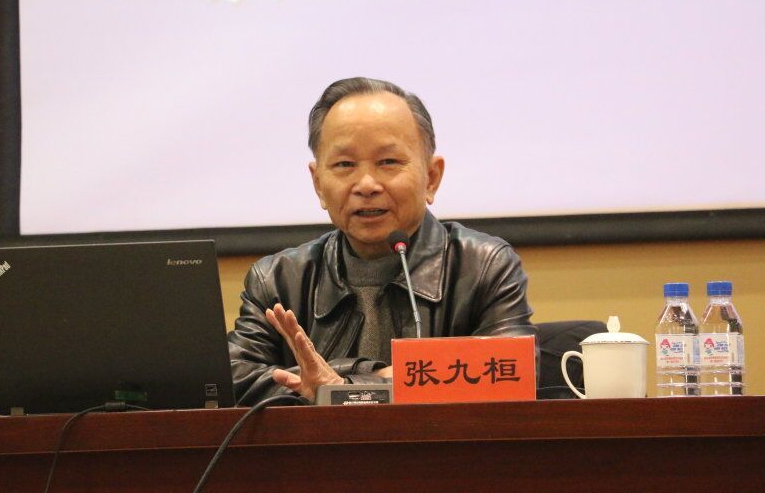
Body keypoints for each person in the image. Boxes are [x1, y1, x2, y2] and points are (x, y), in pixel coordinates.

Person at [227, 77, 537, 404]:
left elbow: (513, 374)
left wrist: (339, 387)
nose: (366, 184)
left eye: (388, 162)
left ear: (431, 178)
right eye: (345, 164)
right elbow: (232, 378)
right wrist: (365, 378)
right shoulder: (279, 279)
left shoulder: (482, 266)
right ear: (318, 184)